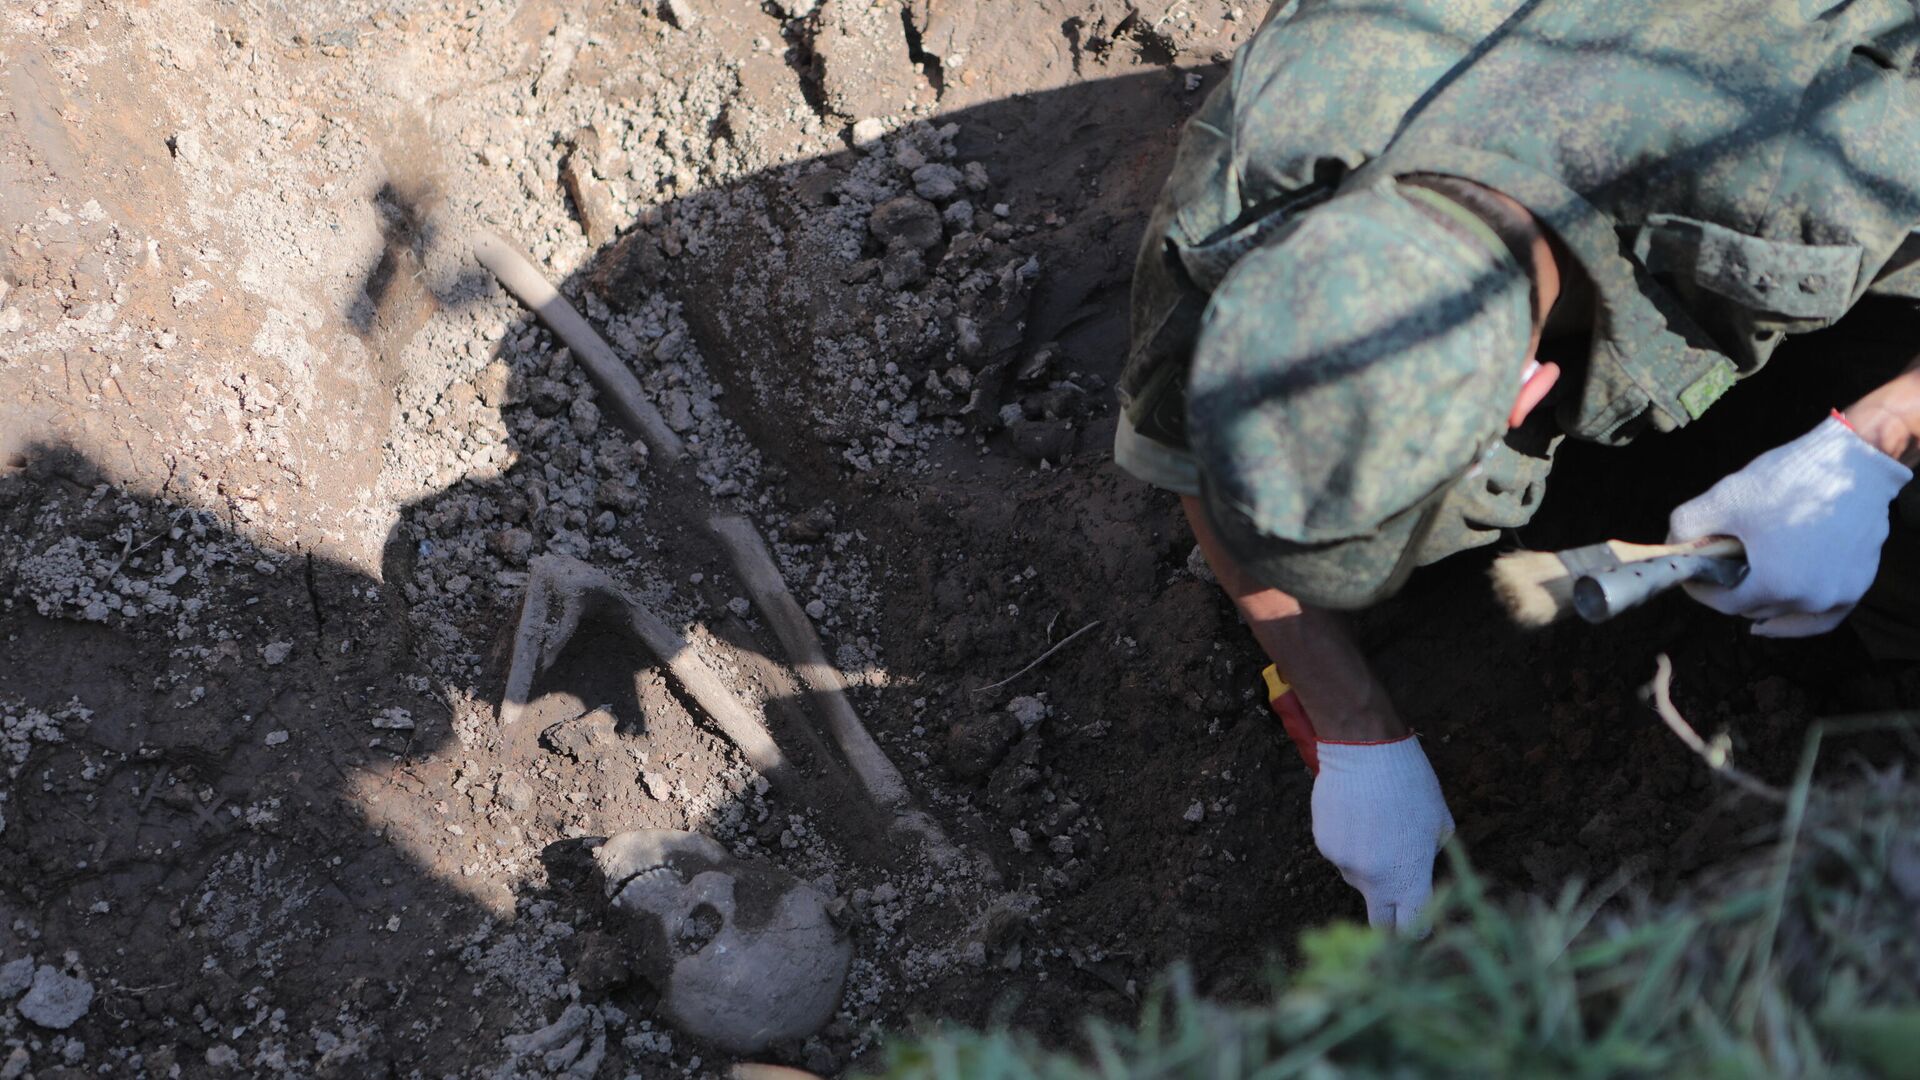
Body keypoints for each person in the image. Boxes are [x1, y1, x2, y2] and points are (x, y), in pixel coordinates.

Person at [1115, 0, 1920, 931]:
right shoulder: (1246, 186)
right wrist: (1354, 730)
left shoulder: (1837, 146)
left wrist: (1874, 436)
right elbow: (1188, 453)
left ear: (1525, 397)